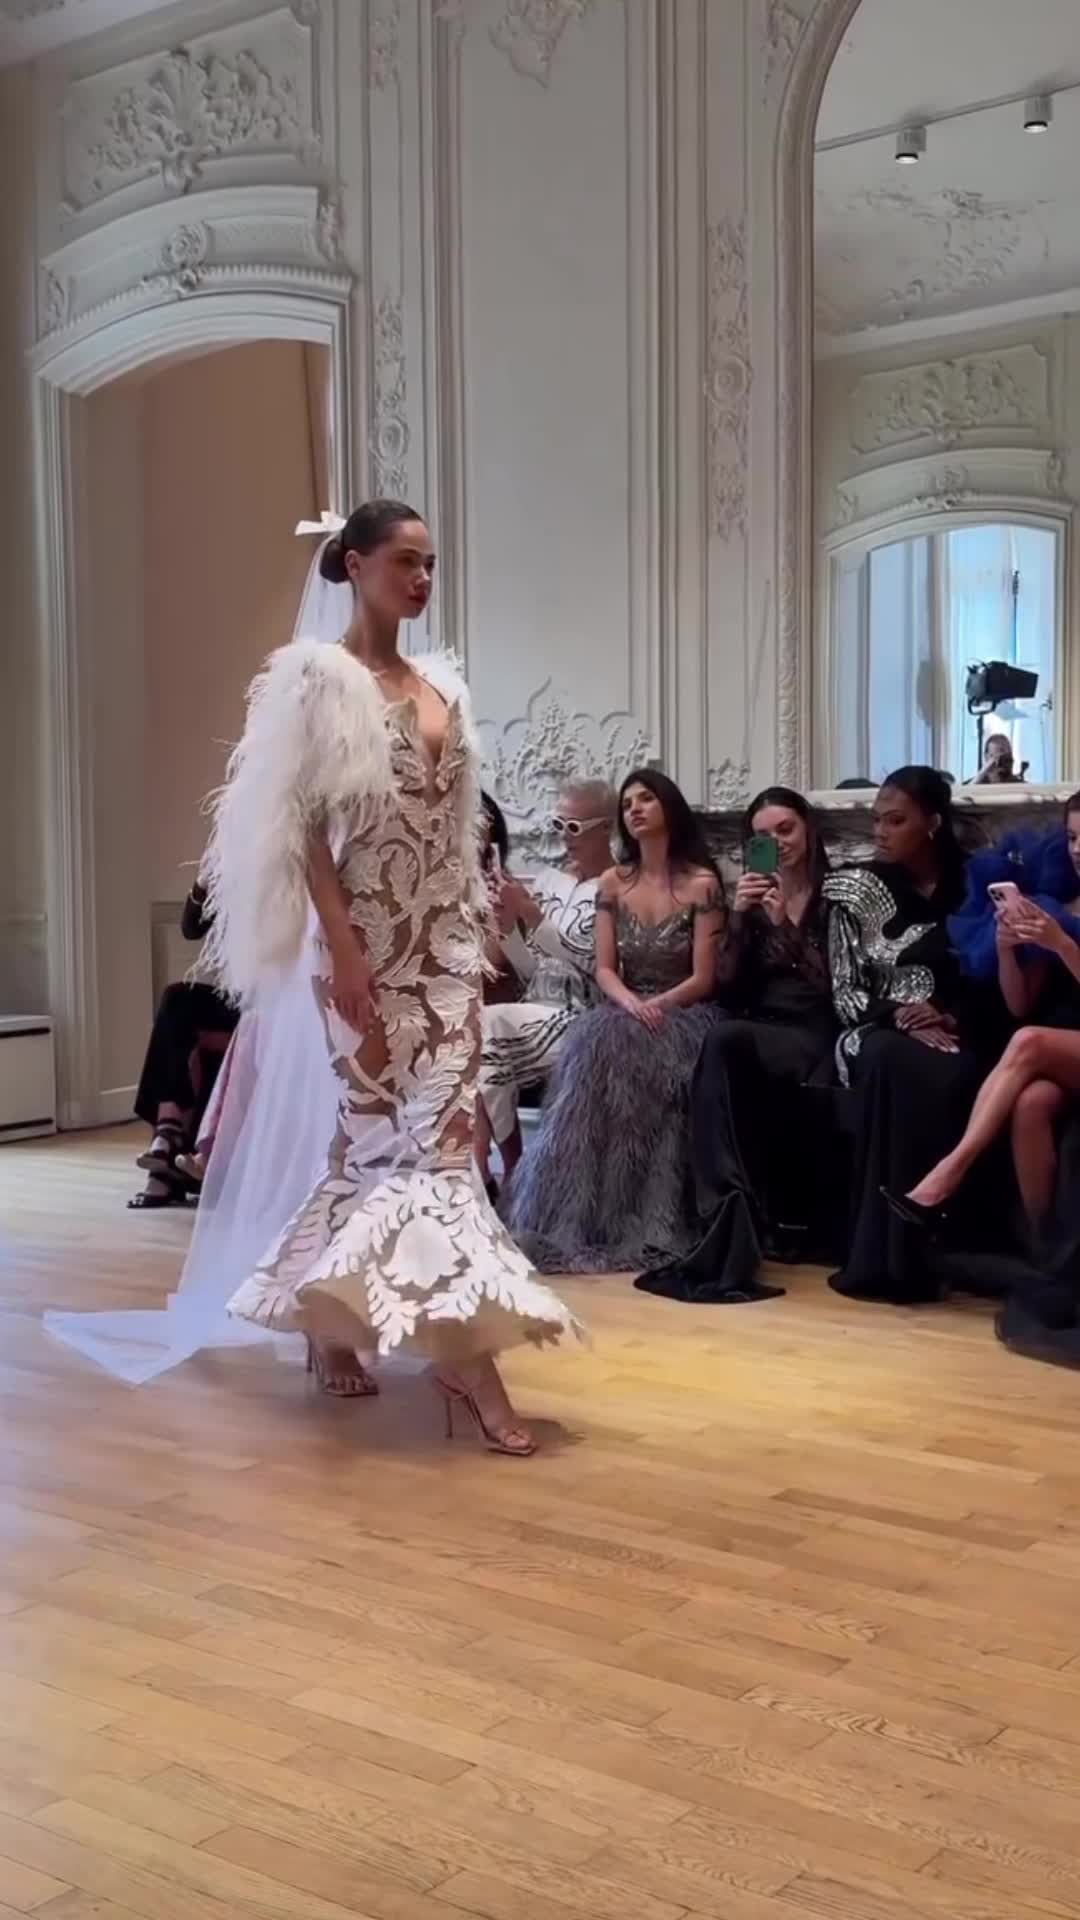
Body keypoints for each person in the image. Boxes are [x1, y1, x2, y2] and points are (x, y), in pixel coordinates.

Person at [48, 501, 581, 1451]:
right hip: (364, 946)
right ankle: (456, 1360)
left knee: (441, 1146)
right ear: (355, 564)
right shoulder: (316, 683)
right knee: (381, 1146)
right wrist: (343, 950)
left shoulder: (442, 688)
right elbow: (298, 832)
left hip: (447, 951)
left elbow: (458, 830)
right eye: (405, 561)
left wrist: (474, 931)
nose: (422, 579)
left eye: (431, 563)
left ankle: (349, 1327)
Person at [504, 768, 726, 1274]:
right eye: (628, 803)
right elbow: (605, 969)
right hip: (624, 1006)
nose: (636, 809)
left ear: (669, 807)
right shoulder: (611, 884)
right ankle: (574, 1216)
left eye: (646, 799)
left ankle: (646, 1217)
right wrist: (630, 1003)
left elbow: (703, 978)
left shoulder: (702, 885)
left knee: (645, 1062)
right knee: (591, 1051)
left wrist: (656, 1006)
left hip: (683, 1010)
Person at [636, 787, 834, 1305]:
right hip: (754, 1027)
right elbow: (723, 983)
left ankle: (726, 1216)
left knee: (724, 1041)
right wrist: (741, 918)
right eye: (762, 837)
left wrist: (784, 926)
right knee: (720, 1041)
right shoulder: (752, 896)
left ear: (808, 829)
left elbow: (834, 987)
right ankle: (726, 1219)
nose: (777, 842)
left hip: (811, 1030)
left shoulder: (834, 894)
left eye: (785, 830)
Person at [823, 765, 984, 1306]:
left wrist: (947, 1015)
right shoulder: (853, 889)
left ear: (932, 823)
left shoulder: (974, 884)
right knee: (891, 1058)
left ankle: (937, 1250)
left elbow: (990, 981)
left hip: (958, 1031)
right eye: (877, 820)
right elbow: (845, 997)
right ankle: (882, 1257)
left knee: (949, 1069)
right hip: (874, 1030)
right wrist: (900, 1016)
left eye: (895, 821)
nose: (880, 832)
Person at [893, 794, 1080, 1236]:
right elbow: (1020, 1005)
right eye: (1073, 837)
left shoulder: (1060, 926)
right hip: (1065, 1049)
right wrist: (1006, 949)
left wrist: (1062, 944)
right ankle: (1047, 1250)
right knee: (1031, 1102)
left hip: (1053, 1044)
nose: (1078, 849)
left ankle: (949, 1172)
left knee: (1028, 1040)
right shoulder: (1060, 901)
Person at [475, 779, 614, 1191]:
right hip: (537, 1011)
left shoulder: (617, 886)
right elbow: (531, 969)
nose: (564, 837)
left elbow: (595, 964)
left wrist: (534, 916)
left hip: (584, 1016)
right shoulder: (550, 882)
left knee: (481, 1027)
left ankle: (510, 1170)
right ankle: (505, 1172)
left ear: (607, 827)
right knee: (478, 1038)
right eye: (558, 824)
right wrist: (506, 928)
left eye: (574, 827)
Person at [128, 878, 237, 1208]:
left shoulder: (287, 870)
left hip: (278, 1001)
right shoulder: (233, 865)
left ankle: (166, 1162)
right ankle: (169, 1132)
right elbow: (191, 928)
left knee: (185, 1015)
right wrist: (203, 884)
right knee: (176, 1000)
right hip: (237, 995)